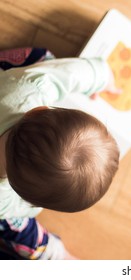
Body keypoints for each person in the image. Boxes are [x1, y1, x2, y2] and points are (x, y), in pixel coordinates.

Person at [0, 47, 121, 259]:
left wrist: (103, 75)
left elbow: (72, 73)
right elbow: (25, 210)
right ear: (24, 195)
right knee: (16, 227)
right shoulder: (5, 200)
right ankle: (50, 254)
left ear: (38, 110)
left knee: (43, 61)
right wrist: (32, 209)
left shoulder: (27, 90)